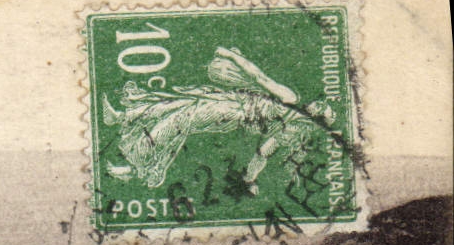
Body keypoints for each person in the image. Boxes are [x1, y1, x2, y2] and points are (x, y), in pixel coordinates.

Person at [102, 46, 336, 195]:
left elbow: (259, 77)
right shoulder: (292, 125)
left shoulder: (291, 100)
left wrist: (230, 55)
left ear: (315, 116)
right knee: (179, 104)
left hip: (233, 110)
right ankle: (123, 117)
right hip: (231, 102)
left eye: (322, 108)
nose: (318, 102)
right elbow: (264, 153)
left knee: (179, 120)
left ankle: (134, 166)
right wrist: (249, 179)